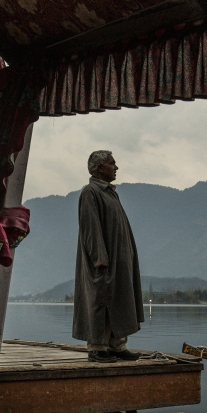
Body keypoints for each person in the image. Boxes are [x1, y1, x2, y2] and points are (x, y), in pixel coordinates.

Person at [73, 150, 144, 362]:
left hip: (119, 261)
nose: (116, 168)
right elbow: (90, 228)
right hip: (103, 262)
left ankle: (117, 346)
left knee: (120, 300)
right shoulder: (90, 192)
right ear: (100, 168)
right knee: (100, 302)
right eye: (112, 164)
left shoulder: (111, 193)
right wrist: (99, 257)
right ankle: (97, 347)